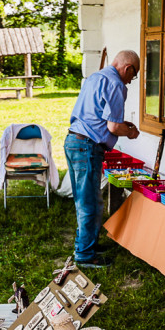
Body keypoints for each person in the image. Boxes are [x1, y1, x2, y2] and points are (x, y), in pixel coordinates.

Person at [64, 50, 140, 268]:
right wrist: (130, 132)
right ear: (128, 69)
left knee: (84, 199)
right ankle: (85, 255)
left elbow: (99, 115)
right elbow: (113, 126)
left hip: (73, 140)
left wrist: (120, 124)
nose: (130, 80)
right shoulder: (117, 84)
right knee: (90, 203)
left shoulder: (95, 77)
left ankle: (87, 245)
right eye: (133, 76)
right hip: (88, 146)